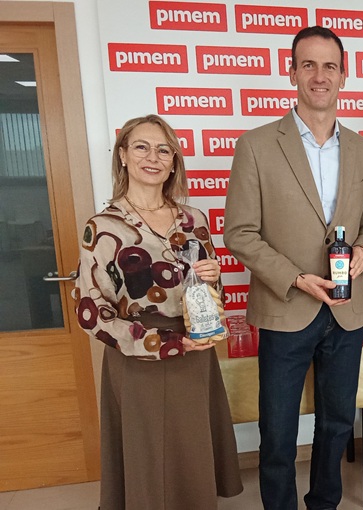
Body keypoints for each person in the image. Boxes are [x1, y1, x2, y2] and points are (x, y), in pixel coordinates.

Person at [223, 26, 363, 510]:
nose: (319, 76)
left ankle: (324, 504)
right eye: (308, 65)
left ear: (344, 76)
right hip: (285, 307)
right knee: (277, 432)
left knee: (337, 425)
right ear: (291, 73)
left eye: (330, 66)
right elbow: (239, 232)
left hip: (346, 312)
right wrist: (295, 278)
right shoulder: (255, 146)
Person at [74, 114, 243, 510]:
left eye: (164, 150)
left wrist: (214, 278)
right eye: (142, 147)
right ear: (122, 155)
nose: (153, 157)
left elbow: (208, 291)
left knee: (192, 452)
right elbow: (91, 311)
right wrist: (158, 343)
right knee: (149, 463)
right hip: (140, 355)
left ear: (173, 161)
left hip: (195, 351)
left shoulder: (194, 219)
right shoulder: (104, 227)